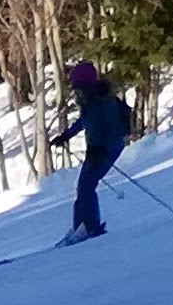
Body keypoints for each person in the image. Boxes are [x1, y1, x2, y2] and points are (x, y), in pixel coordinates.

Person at [56, 58, 137, 245]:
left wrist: (100, 147)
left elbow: (112, 127)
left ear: (86, 84)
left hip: (108, 147)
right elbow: (84, 121)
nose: (76, 90)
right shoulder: (89, 100)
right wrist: (66, 136)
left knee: (86, 185)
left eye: (78, 86)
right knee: (83, 186)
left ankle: (90, 227)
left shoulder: (103, 99)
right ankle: (81, 227)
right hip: (96, 148)